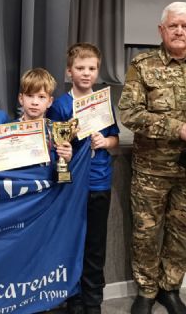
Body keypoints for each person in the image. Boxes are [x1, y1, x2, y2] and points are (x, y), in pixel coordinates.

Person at [118, 2, 186, 314]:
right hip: (151, 170)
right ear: (161, 30)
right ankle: (146, 291)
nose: (179, 31)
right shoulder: (142, 64)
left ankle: (170, 289)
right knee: (145, 234)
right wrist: (178, 128)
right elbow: (129, 113)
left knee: (183, 234)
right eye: (173, 25)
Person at [47, 43, 120, 314]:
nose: (86, 73)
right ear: (69, 71)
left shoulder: (103, 102)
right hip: (71, 184)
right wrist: (69, 145)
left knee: (95, 245)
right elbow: (53, 145)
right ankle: (74, 298)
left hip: (98, 182)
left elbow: (115, 140)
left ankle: (93, 300)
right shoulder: (60, 106)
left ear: (98, 71)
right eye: (80, 68)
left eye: (92, 68)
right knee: (72, 242)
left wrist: (105, 141)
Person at [17, 67, 72, 168]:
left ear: (50, 102)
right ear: (21, 99)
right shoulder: (9, 130)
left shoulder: (58, 130)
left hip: (48, 178)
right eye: (30, 95)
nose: (35, 102)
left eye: (41, 97)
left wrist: (66, 157)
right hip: (19, 178)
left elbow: (61, 169)